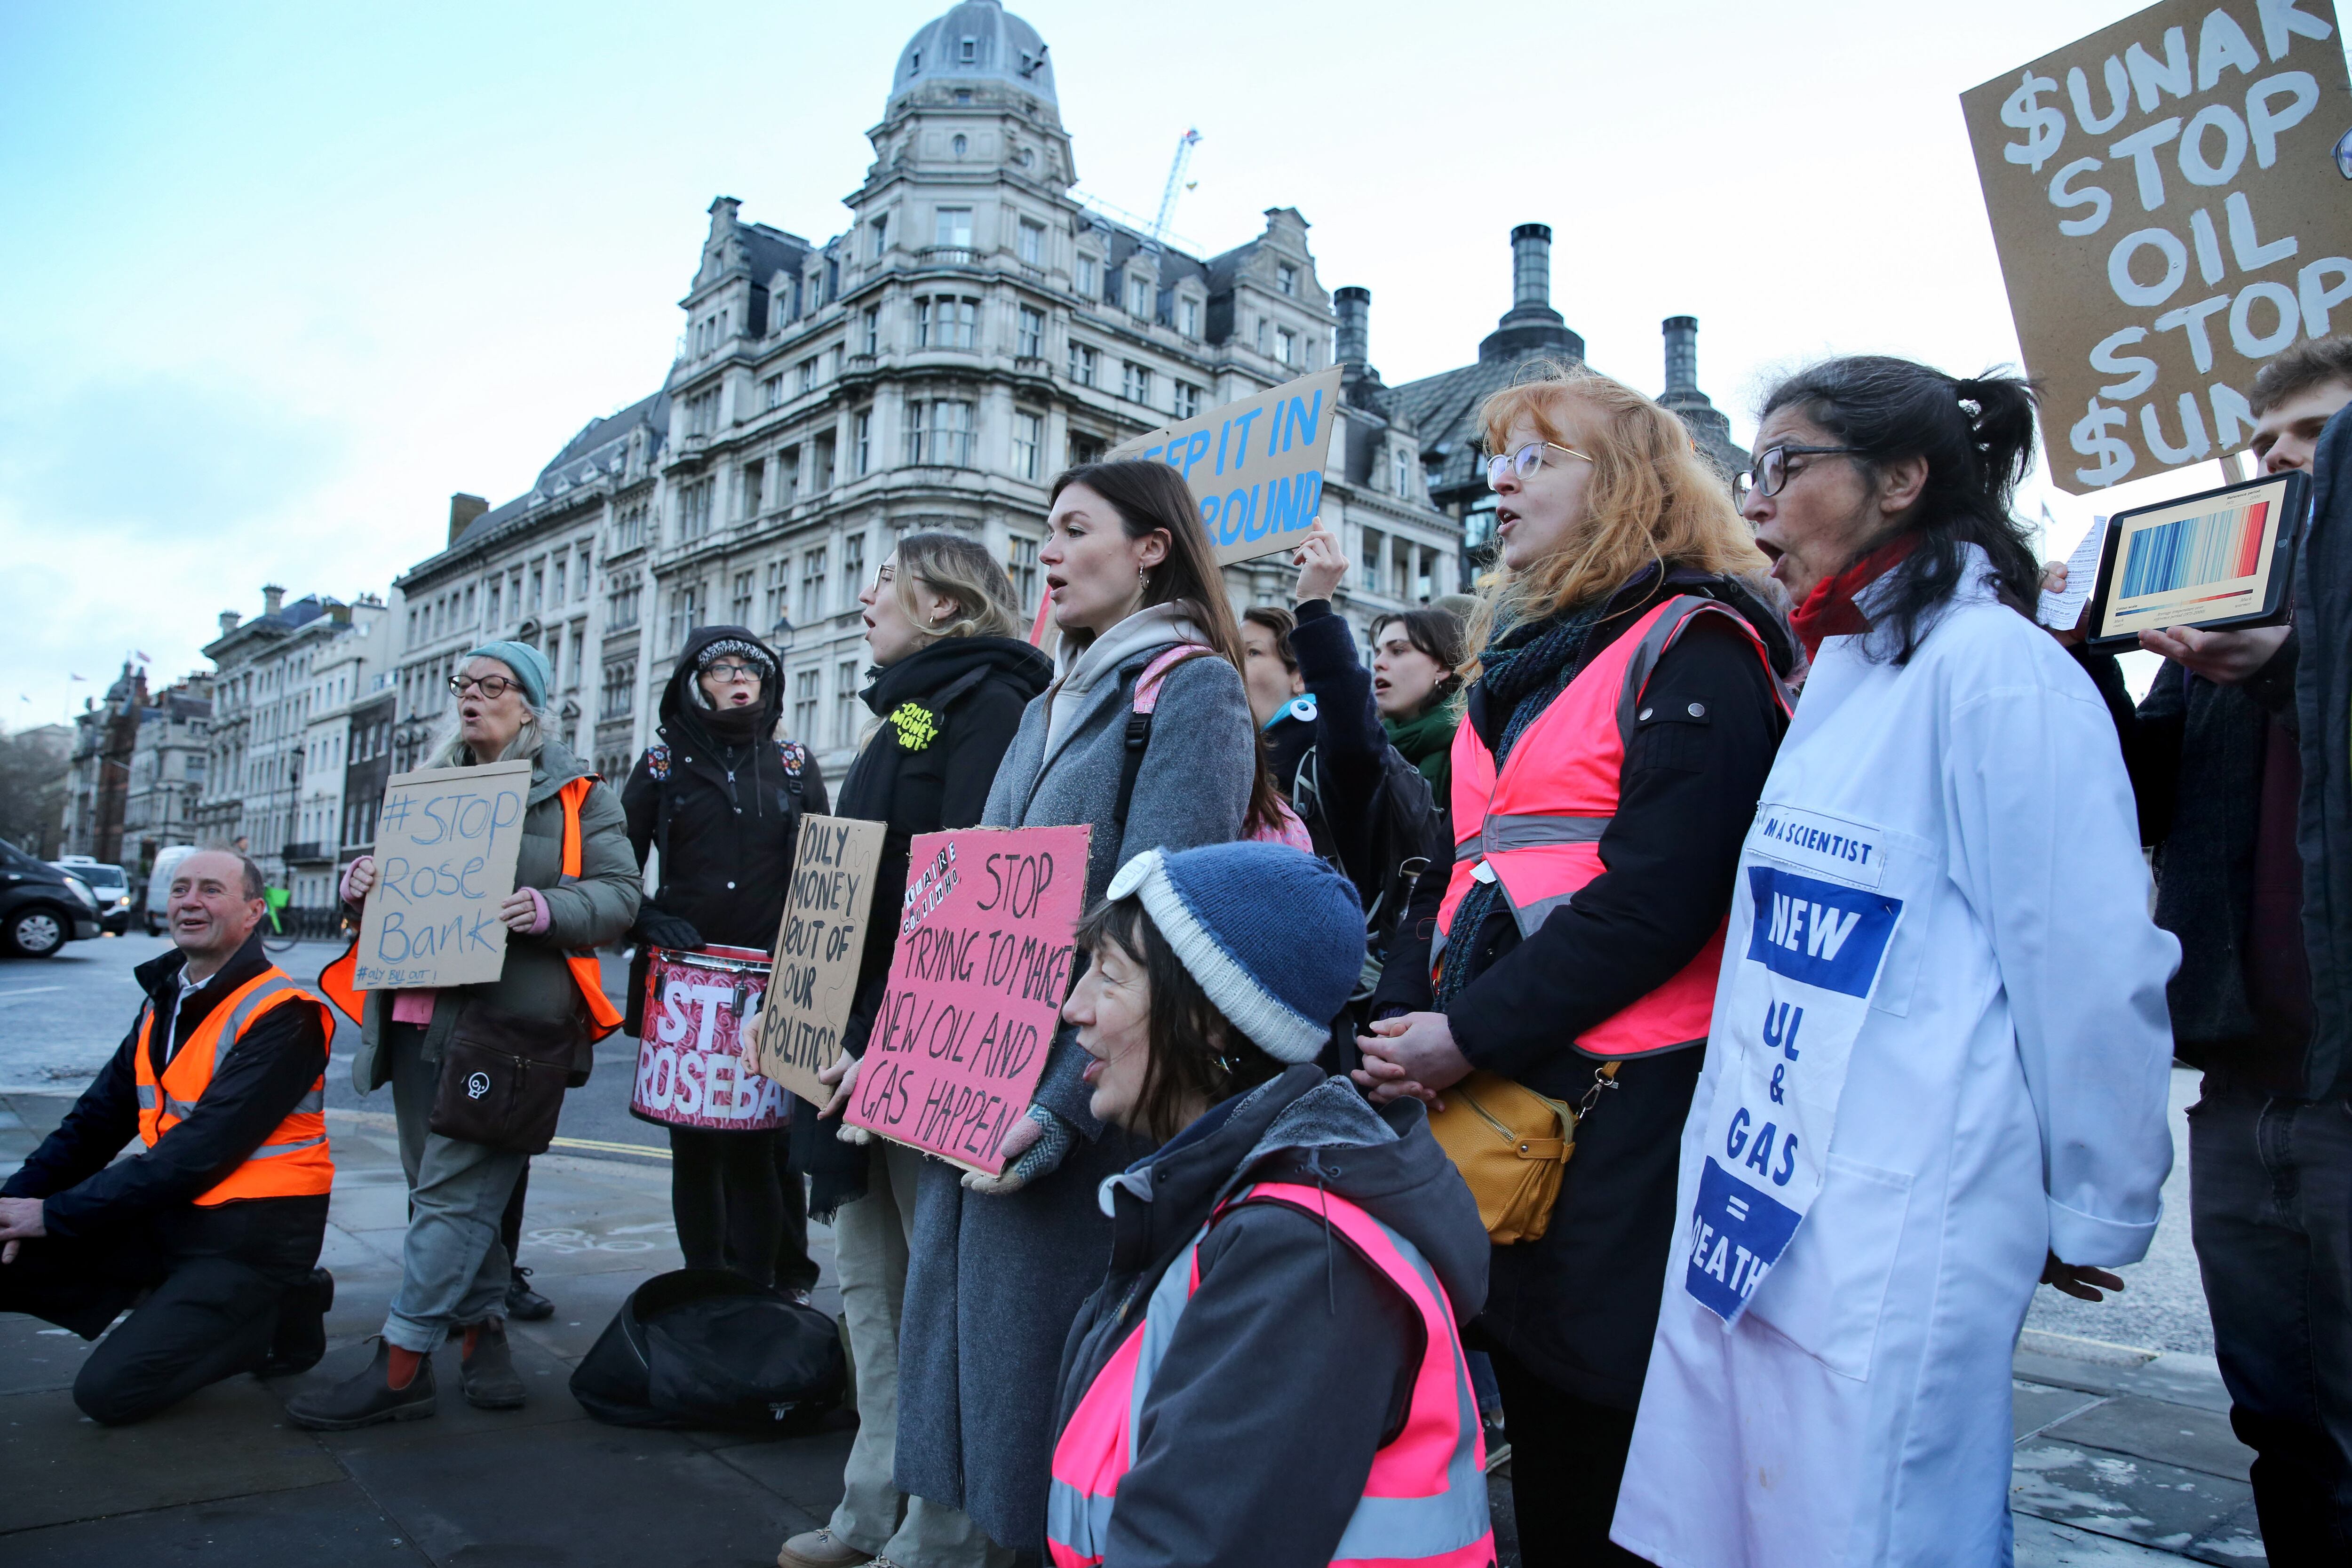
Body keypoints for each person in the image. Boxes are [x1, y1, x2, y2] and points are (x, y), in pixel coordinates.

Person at [1609, 357, 2178, 1566]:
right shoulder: (1841, 678)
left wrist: (2090, 1201)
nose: (1752, 502)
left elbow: (2085, 965)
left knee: (1876, 1524)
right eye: (1748, 471)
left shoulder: (2001, 674)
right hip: (1759, 1203)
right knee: (1741, 1515)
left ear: (1901, 480)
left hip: (1904, 1211)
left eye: (1784, 466)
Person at [1353, 365, 1793, 1566]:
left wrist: (1462, 1033)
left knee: (1604, 1418)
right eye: (1500, 457)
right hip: (1516, 1079)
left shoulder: (1693, 643)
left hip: (1631, 1093)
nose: (1499, 479)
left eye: (1538, 457)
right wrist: (1404, 1020)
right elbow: (1457, 868)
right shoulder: (1528, 662)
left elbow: (1661, 898)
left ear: (1628, 489)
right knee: (1540, 1405)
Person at [895, 461, 1260, 1558]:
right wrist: (910, 1055)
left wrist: (1059, 1111)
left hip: (1076, 1106)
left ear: (1151, 547)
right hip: (981, 1086)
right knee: (986, 1423)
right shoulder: (1055, 695)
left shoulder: (1186, 689)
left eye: (1070, 529)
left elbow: (1156, 932)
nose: (1044, 553)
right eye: (1041, 533)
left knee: (1048, 1432)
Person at [2052, 336, 2352, 1558]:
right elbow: (2134, 799)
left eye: (2318, 433)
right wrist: (2082, 661)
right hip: (2243, 1094)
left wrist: (2294, 671)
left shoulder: (2278, 651)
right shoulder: (2221, 642)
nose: (2281, 458)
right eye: (2267, 438)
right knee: (2282, 1422)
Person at [1045, 842, 1493, 1568]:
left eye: (1111, 975)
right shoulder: (1222, 1194)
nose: (1075, 1008)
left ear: (1213, 1022)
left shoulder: (1301, 1259)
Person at [779, 533, 1051, 1568]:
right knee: (870, 1287)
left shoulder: (982, 704)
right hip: (857, 1043)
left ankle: (943, 1531)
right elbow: (875, 856)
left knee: (929, 1293)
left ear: (944, 606)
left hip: (911, 1048)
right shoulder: (911, 705)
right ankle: (870, 1503)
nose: (862, 594)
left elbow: (961, 885)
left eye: (884, 579)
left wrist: (886, 1037)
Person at [291, 641, 639, 1430]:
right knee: (437, 1189)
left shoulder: (581, 795)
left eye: (493, 685)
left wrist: (551, 909)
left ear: (531, 703)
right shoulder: (424, 788)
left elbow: (620, 895)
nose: (472, 697)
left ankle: (403, 1359)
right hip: (415, 1016)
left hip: (505, 1024)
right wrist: (359, 885)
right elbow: (389, 889)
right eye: (465, 685)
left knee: (453, 1192)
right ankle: (482, 1328)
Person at [0, 848, 334, 1425]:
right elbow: (95, 1121)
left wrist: (53, 1214)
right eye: (181, 889)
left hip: (251, 1237)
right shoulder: (166, 998)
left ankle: (279, 1308)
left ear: (254, 912)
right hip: (170, 1215)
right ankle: (169, 1299)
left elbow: (198, 1152)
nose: (190, 902)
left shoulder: (288, 1014)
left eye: (210, 890)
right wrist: (15, 1201)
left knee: (108, 1395)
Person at [620, 626, 826, 1298]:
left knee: (758, 1148)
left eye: (754, 671)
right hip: (684, 980)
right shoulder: (659, 765)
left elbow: (826, 876)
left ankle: (763, 1292)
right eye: (725, 669)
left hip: (769, 982)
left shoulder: (794, 765)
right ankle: (703, 1290)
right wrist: (650, 919)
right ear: (696, 681)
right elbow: (617, 867)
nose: (741, 679)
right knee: (695, 1147)